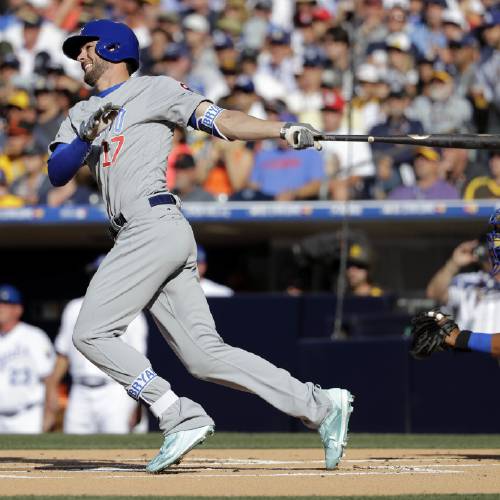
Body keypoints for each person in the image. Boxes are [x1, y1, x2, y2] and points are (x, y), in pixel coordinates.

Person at [48, 20, 353, 473]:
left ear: (112, 48)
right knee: (205, 356)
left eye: (87, 48)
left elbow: (221, 120)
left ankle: (177, 413)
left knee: (90, 333)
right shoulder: (79, 113)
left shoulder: (154, 89)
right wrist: (87, 132)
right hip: (142, 233)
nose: (80, 57)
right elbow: (57, 172)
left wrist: (281, 129)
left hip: (151, 223)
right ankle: (321, 405)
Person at [43, 256, 149, 434]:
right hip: (79, 390)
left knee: (116, 449)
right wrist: (53, 387)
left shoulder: (131, 310)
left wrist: (138, 402)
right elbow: (63, 354)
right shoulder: (74, 308)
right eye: (95, 273)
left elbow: (138, 362)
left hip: (114, 390)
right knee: (72, 451)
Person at [411, 209, 500, 358]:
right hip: (467, 360)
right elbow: (434, 293)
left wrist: (460, 338)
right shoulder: (468, 281)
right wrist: (453, 264)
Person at [0, 284, 55, 433]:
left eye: (6, 303)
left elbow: (49, 378)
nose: (1, 307)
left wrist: (49, 412)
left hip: (27, 417)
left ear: (18, 309)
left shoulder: (34, 336)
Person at [388, 146, 460, 200]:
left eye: (425, 158)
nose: (419, 162)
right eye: (417, 158)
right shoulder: (401, 192)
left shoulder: (448, 192)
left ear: (437, 162)